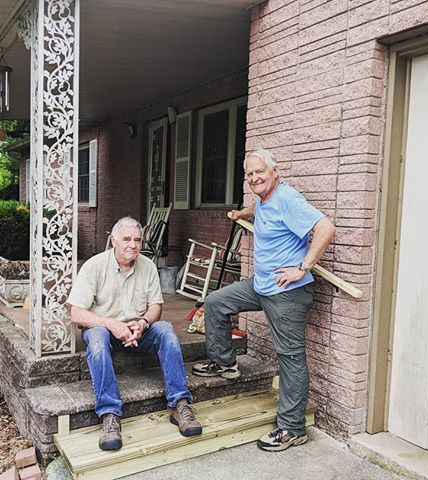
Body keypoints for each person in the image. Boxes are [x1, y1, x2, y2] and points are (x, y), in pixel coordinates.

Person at [192, 148, 335, 452]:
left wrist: (303, 267)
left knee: (290, 357)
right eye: (249, 174)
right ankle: (225, 363)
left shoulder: (288, 199)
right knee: (216, 302)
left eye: (260, 172)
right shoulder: (265, 199)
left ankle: (292, 429)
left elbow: (325, 227)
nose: (254, 177)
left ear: (275, 172)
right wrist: (243, 213)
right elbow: (260, 210)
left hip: (286, 292)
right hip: (261, 285)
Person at [68, 217, 202, 451]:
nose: (133, 245)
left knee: (166, 330)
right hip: (105, 330)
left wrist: (143, 322)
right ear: (114, 240)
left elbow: (156, 307)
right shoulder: (94, 266)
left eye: (137, 240)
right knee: (97, 338)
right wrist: (112, 325)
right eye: (127, 239)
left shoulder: (147, 266)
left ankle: (179, 403)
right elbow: (77, 313)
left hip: (138, 331)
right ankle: (109, 414)